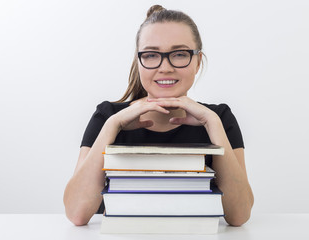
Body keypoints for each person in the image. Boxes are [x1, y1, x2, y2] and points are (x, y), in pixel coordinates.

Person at [63, 5, 254, 227]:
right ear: (139, 61)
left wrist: (212, 124)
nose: (165, 67)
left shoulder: (219, 117)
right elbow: (76, 214)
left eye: (180, 54)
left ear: (198, 61)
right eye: (152, 55)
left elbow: (239, 216)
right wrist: (112, 125)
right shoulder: (108, 116)